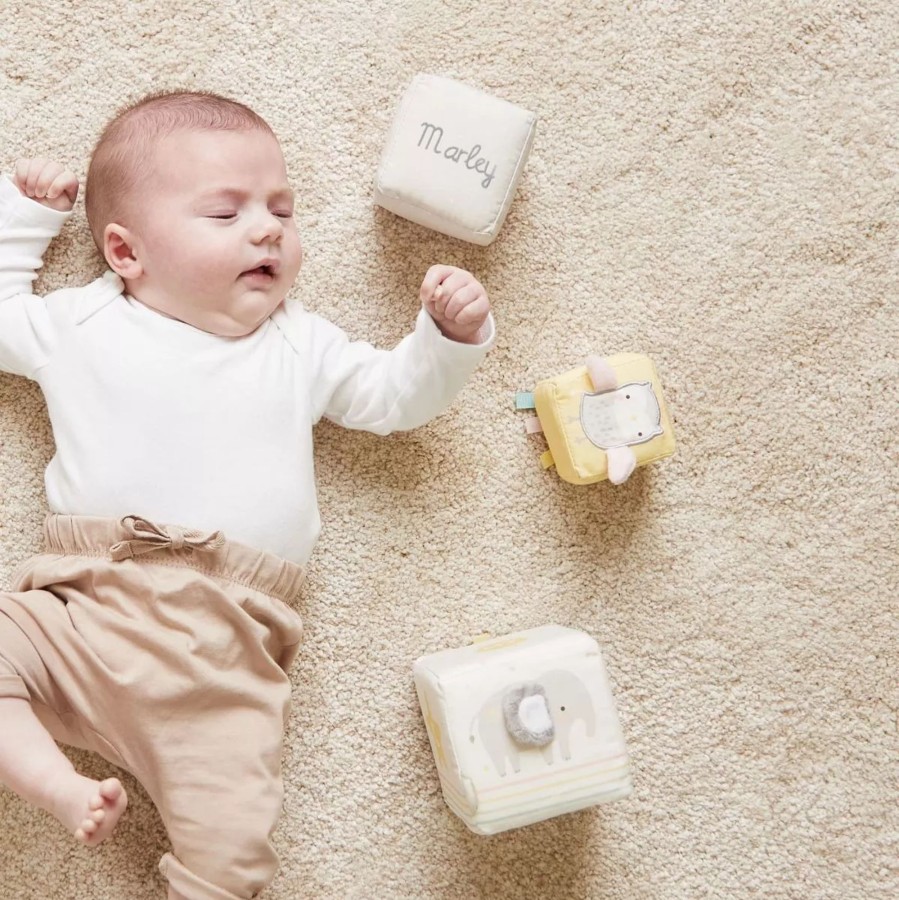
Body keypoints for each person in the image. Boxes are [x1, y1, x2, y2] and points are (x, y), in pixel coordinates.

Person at [0, 90, 494, 900]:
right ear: (126, 252)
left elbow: (391, 400)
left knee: (235, 863)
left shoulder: (300, 342)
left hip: (222, 658)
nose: (268, 229)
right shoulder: (78, 324)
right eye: (225, 214)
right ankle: (52, 784)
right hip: (82, 609)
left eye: (282, 209)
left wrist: (445, 340)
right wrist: (23, 217)